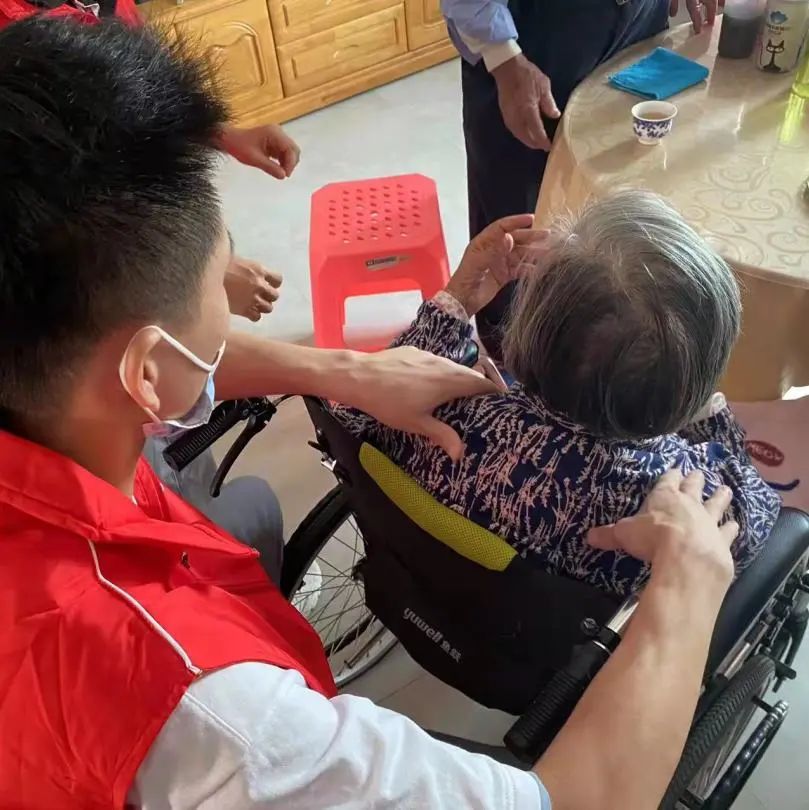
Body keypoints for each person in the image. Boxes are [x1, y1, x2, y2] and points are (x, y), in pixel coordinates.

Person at [0, 20, 747, 807]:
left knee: (252, 505)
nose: (236, 301)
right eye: (221, 283)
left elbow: (175, 373)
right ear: (147, 372)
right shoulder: (226, 724)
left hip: (406, 598)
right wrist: (690, 572)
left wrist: (352, 364)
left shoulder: (49, 375)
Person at [337, 191, 780, 597]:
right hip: (546, 641)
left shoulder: (443, 415)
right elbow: (759, 503)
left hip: (427, 585)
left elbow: (363, 398)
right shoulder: (678, 506)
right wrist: (708, 414)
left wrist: (458, 299)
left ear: (531, 326)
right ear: (686, 391)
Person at [441, 0, 721, 358]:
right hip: (535, 39)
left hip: (639, 21)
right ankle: (514, 361)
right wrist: (504, 59)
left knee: (631, 188)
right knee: (521, 223)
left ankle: (613, 357)